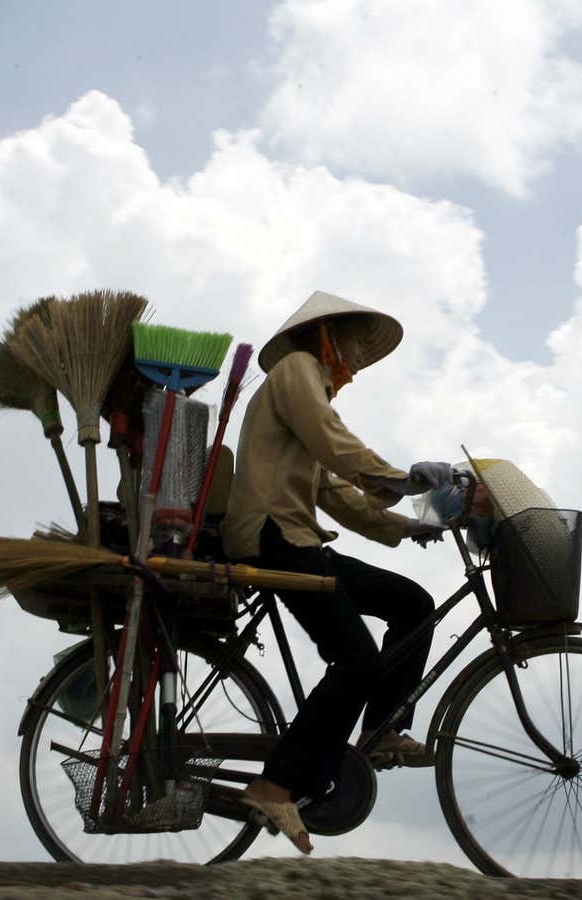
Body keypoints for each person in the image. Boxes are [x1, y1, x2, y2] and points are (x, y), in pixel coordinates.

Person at [221, 290, 450, 854]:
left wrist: (405, 525)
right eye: (354, 340)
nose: (358, 354)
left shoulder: (311, 394)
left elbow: (335, 492)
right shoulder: (299, 371)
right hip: (272, 537)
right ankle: (275, 784)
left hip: (300, 539)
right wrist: (403, 479)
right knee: (356, 659)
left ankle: (380, 731)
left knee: (412, 605)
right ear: (327, 335)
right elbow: (335, 442)